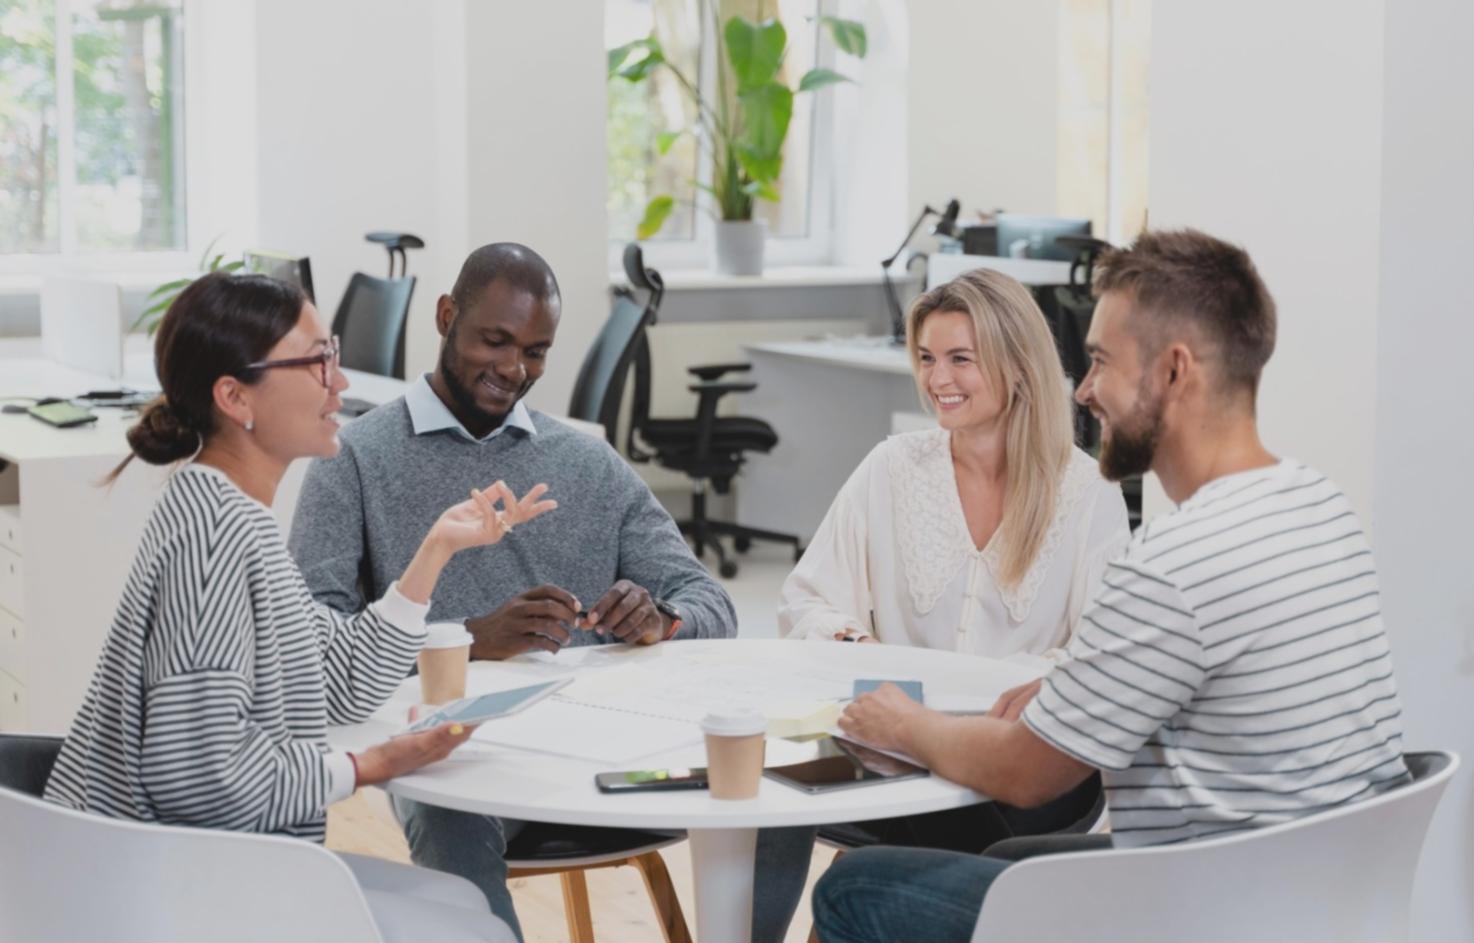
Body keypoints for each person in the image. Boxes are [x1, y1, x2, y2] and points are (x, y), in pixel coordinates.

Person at [810, 229, 1411, 942]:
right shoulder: (1318, 506)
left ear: (1172, 372)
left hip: (1198, 909)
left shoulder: (1172, 563)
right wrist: (1074, 688)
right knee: (1009, 858)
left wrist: (902, 724)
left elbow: (1029, 775)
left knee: (854, 885)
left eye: (1099, 361)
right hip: (1309, 890)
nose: (1084, 388)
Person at [43, 272, 555, 942]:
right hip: (162, 889)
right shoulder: (216, 538)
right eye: (317, 361)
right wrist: (371, 766)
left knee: (464, 906)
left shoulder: (228, 512)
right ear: (234, 396)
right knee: (476, 930)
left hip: (192, 865)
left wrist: (433, 552)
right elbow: (198, 774)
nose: (339, 383)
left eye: (333, 354)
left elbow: (339, 683)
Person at [289, 242, 737, 938]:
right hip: (456, 754)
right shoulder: (353, 460)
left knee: (765, 771)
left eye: (536, 350)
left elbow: (711, 602)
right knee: (449, 813)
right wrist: (468, 640)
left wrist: (663, 620)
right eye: (494, 340)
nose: (513, 369)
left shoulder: (586, 461)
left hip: (600, 748)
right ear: (445, 317)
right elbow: (311, 646)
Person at [753, 268, 1130, 941]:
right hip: (896, 751)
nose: (937, 378)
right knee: (762, 779)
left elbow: (1103, 655)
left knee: (885, 867)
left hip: (1026, 767)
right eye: (926, 358)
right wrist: (856, 647)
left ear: (1016, 363)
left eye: (961, 358)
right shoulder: (892, 467)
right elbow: (807, 599)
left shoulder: (1087, 491)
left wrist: (1017, 697)